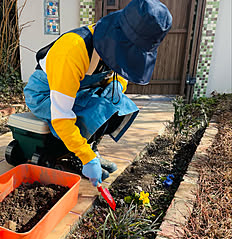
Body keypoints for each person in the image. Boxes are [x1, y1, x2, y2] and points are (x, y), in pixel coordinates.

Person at [24, 0, 172, 187]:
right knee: (94, 110)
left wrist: (115, 89)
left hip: (80, 90)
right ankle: (79, 155)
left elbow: (119, 76)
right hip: (44, 95)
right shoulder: (72, 50)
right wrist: (86, 157)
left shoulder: (114, 48)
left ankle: (91, 148)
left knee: (116, 103)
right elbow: (62, 115)